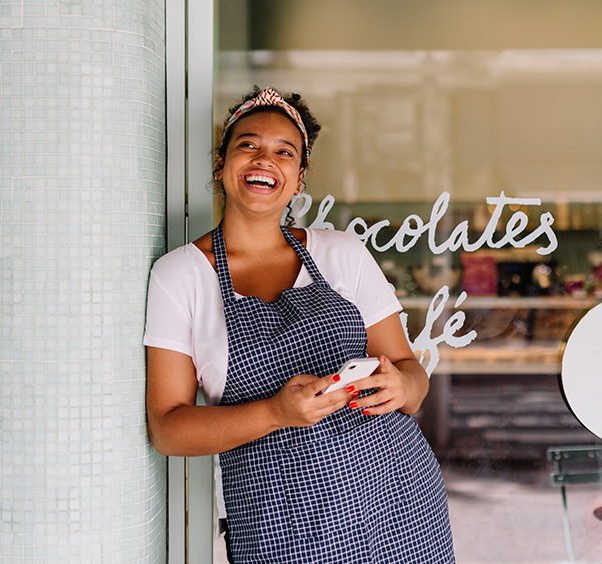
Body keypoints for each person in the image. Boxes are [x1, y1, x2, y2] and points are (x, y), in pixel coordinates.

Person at [144, 86, 454, 563]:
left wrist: (402, 387)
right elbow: (168, 429)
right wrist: (275, 413)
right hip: (278, 523)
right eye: (248, 144)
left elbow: (410, 373)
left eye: (283, 152)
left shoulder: (342, 254)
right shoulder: (179, 276)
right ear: (221, 162)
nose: (264, 159)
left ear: (298, 177)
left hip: (396, 500)